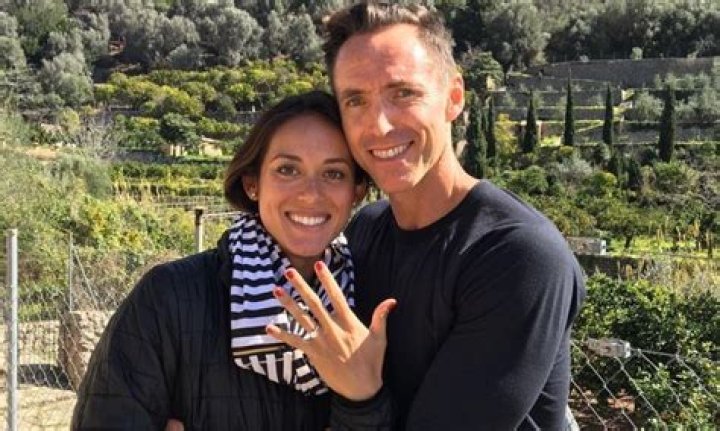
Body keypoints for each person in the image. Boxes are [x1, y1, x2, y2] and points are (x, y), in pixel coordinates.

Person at [267, 3, 586, 430]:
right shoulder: (365, 231)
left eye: (403, 93)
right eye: (356, 101)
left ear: (454, 97)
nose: (379, 125)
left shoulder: (518, 257)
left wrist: (361, 399)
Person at [71, 90, 382, 430]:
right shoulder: (167, 298)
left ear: (357, 191)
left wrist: (363, 403)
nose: (310, 194)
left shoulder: (372, 305)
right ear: (252, 184)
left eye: (334, 173)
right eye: (287, 170)